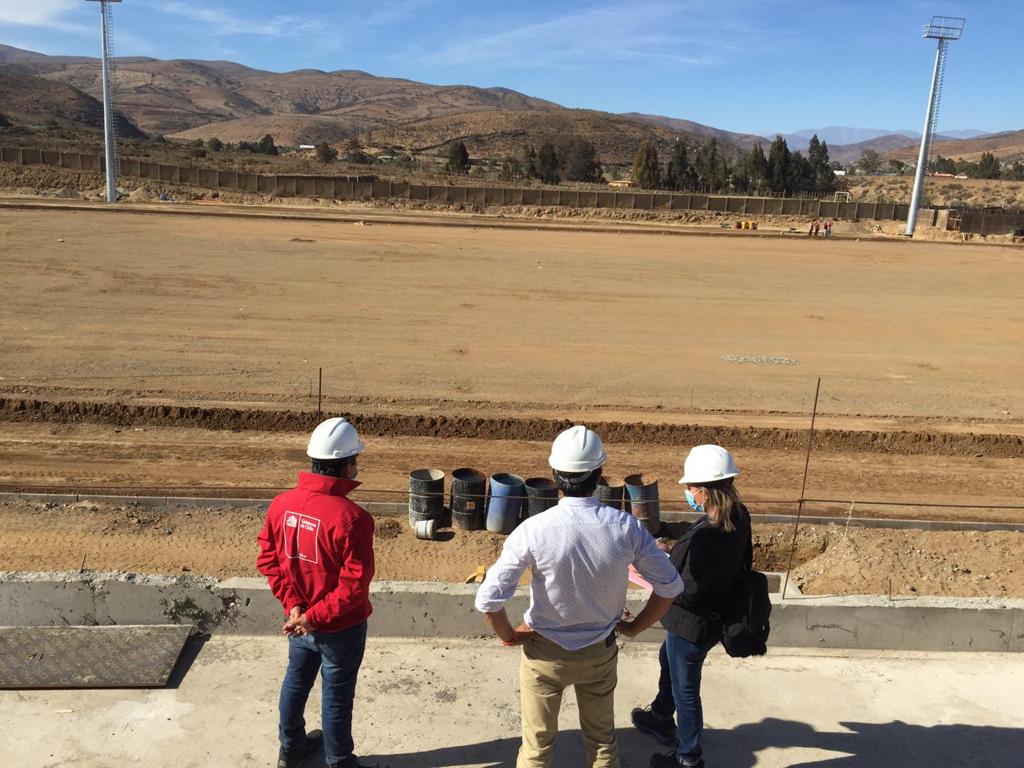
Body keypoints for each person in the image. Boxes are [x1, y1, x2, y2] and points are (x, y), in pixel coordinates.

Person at [475, 425, 685, 768]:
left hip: (544, 654)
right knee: (603, 744)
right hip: (599, 654)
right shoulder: (626, 527)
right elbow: (670, 587)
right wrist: (633, 629)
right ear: (599, 474)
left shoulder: (533, 529)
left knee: (536, 749)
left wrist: (510, 635)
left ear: (555, 475)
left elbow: (489, 600)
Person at [257, 417, 375, 768]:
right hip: (338, 628)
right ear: (348, 465)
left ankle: (290, 749)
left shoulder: (281, 504)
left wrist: (295, 608)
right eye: (356, 461)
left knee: (296, 682)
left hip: (298, 622)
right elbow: (354, 586)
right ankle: (338, 761)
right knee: (336, 697)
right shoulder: (352, 518)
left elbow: (268, 559)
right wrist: (312, 616)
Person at [632, 445, 753, 768]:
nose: (687, 492)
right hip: (712, 619)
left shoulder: (706, 540)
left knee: (686, 691)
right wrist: (670, 543)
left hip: (692, 626)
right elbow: (731, 561)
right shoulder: (737, 516)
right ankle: (659, 715)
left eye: (690, 488)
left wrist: (657, 567)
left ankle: (688, 756)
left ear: (705, 490)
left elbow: (688, 591)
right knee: (666, 659)